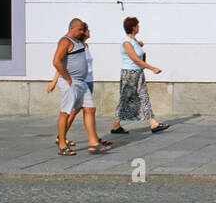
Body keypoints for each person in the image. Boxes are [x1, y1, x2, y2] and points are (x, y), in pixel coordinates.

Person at [48, 18, 112, 155]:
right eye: (80, 29)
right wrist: (67, 78)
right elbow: (56, 62)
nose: (82, 32)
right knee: (65, 112)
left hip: (81, 82)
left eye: (83, 29)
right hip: (71, 82)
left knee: (90, 109)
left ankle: (93, 143)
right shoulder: (65, 41)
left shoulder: (78, 42)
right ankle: (61, 143)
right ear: (72, 28)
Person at [108, 16, 168, 135]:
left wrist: (139, 44)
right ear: (133, 27)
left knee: (143, 96)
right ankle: (116, 125)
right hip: (130, 74)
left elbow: (138, 53)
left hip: (138, 72)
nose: (138, 27)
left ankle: (153, 123)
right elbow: (136, 59)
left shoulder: (133, 41)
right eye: (137, 25)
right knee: (125, 99)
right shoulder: (126, 43)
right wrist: (152, 68)